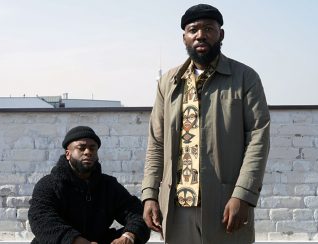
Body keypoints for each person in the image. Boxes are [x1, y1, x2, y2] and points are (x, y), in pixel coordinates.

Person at [141, 4, 270, 244]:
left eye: (208, 29)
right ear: (184, 38)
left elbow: (258, 140)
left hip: (225, 203)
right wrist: (149, 194)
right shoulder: (168, 82)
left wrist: (243, 195)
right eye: (193, 30)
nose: (200, 35)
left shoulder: (244, 78)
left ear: (221, 34)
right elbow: (157, 143)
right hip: (177, 207)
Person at [29, 126, 150, 244]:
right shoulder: (49, 184)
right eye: (81, 148)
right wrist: (76, 241)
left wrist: (128, 236)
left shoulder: (109, 185)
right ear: (68, 154)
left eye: (92, 148)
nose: (88, 152)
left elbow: (137, 213)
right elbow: (41, 219)